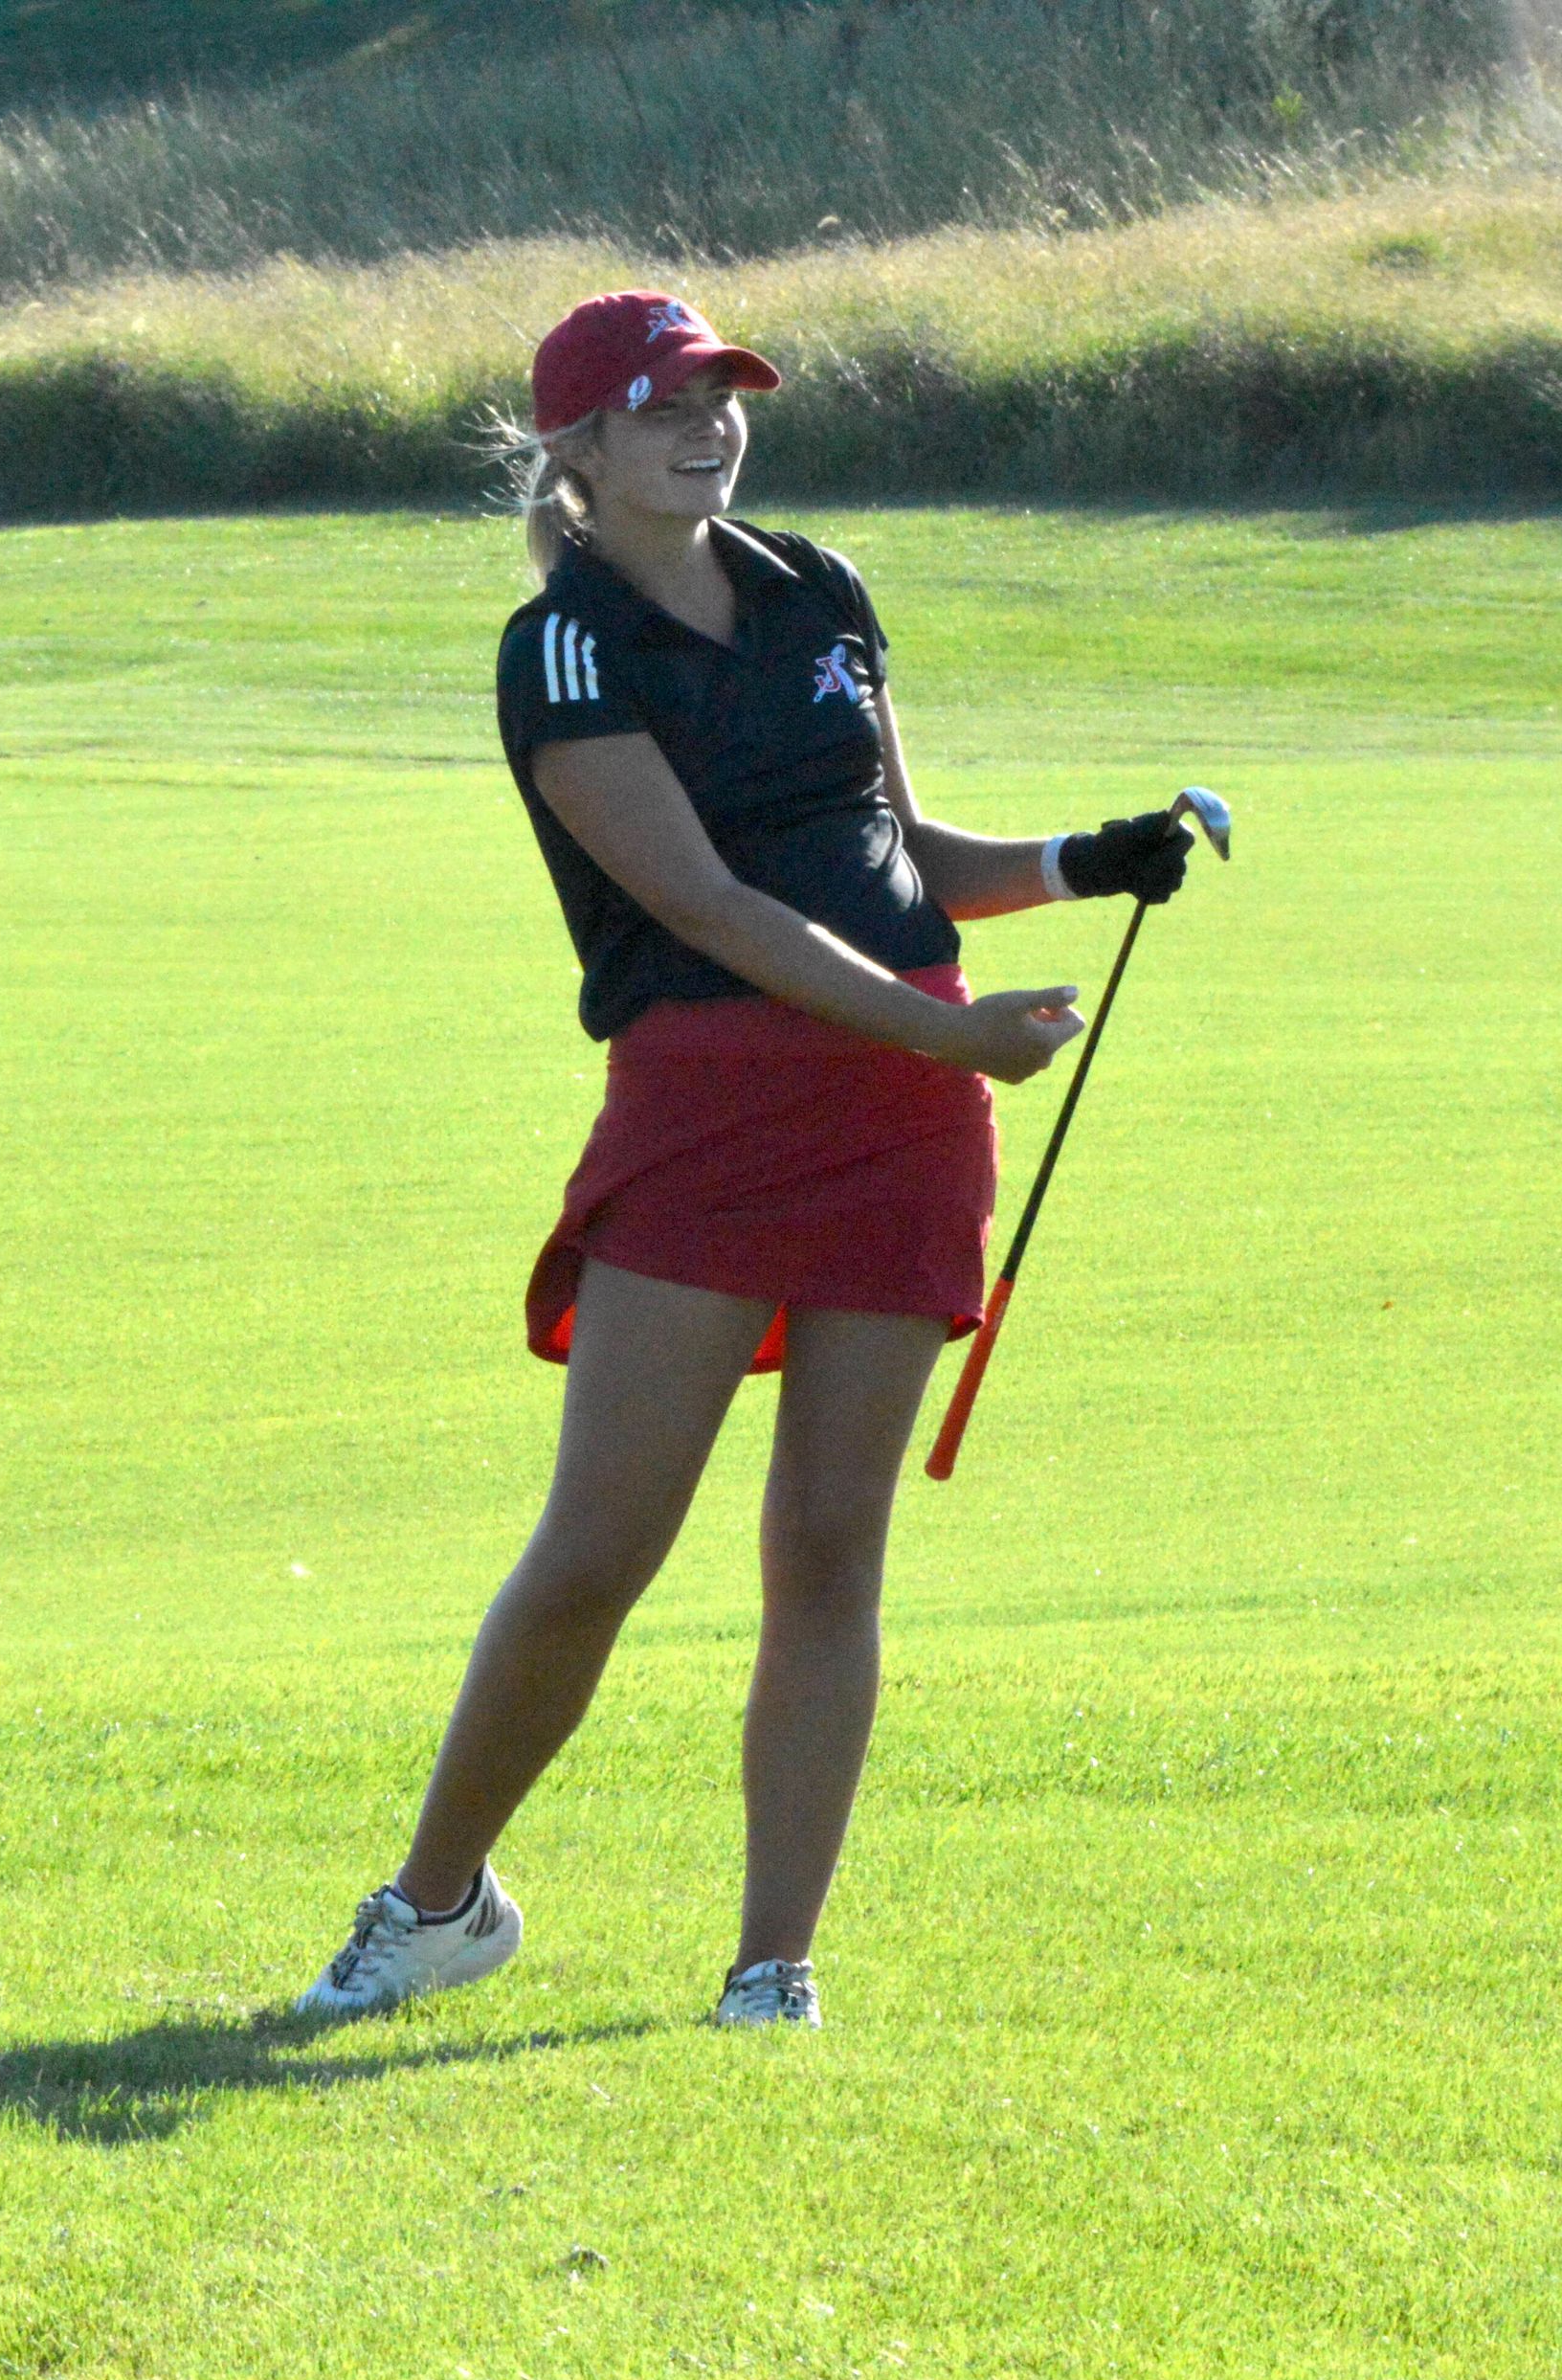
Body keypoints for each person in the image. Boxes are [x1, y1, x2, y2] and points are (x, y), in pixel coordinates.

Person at [296, 290, 1194, 2031]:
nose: (708, 430)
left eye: (724, 400)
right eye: (663, 410)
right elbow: (704, 899)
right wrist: (945, 1033)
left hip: (902, 1111)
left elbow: (896, 852)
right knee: (598, 1548)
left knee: (830, 1544)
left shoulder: (822, 590)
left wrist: (1087, 857)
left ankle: (772, 1966)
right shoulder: (560, 647)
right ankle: (435, 1904)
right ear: (579, 449)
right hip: (716, 1099)